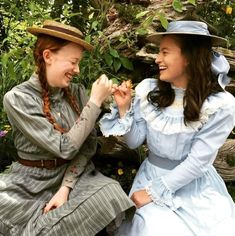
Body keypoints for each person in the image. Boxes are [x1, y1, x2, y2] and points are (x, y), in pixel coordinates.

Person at [99, 20, 235, 235]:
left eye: (164, 52)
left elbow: (198, 163)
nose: (157, 59)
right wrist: (124, 109)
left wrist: (153, 192)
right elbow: (134, 142)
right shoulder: (149, 92)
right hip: (151, 176)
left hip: (195, 187)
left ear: (189, 57)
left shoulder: (219, 105)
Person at [0, 19, 134, 236]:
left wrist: (66, 188)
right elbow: (64, 147)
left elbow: (88, 145)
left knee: (110, 192)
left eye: (79, 62)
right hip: (29, 182)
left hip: (74, 175)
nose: (78, 70)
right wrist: (94, 102)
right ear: (48, 56)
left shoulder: (78, 92)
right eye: (73, 62)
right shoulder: (18, 98)